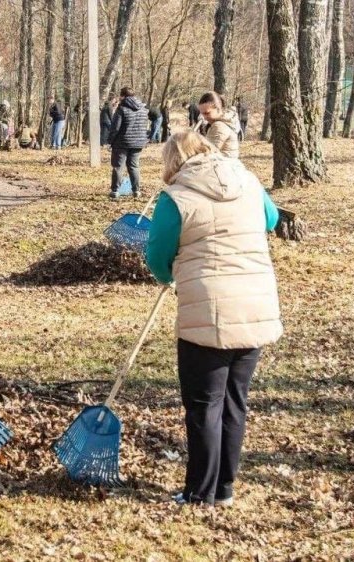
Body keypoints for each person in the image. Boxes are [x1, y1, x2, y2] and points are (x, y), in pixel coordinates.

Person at [145, 130, 281, 507]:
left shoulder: (175, 198)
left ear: (173, 162)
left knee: (205, 405)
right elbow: (270, 220)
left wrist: (168, 275)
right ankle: (224, 489)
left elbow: (156, 253)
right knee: (235, 401)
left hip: (206, 310)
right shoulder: (248, 179)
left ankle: (199, 493)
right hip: (254, 305)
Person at [108, 87, 148, 200]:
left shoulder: (122, 109)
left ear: (122, 96)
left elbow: (115, 127)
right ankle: (136, 191)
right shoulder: (143, 108)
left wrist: (110, 141)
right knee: (134, 166)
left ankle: (115, 190)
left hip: (122, 142)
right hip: (138, 142)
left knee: (118, 167)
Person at [196, 91, 241, 158]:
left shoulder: (219, 126)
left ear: (218, 109)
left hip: (224, 165)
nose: (204, 117)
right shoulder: (226, 121)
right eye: (202, 114)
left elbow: (208, 152)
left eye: (207, 113)